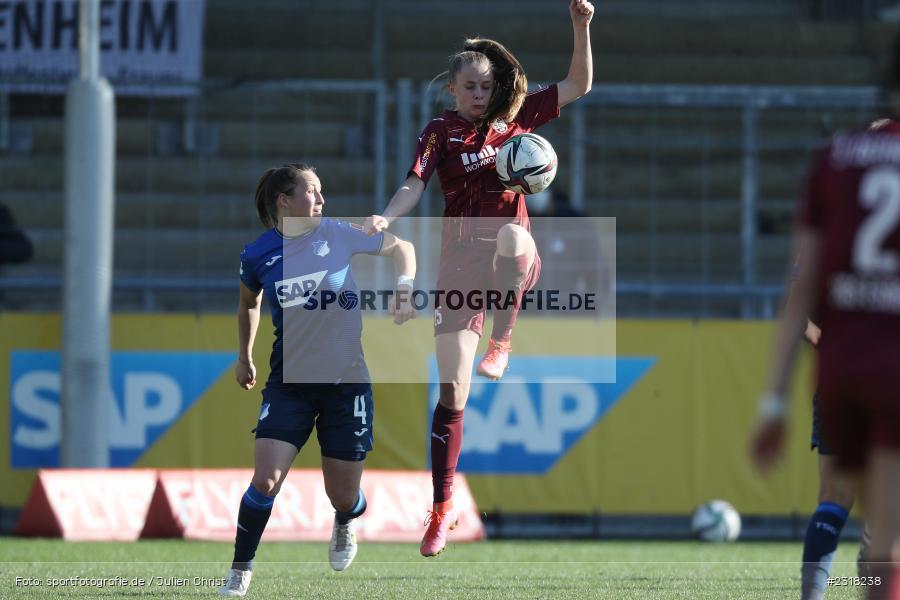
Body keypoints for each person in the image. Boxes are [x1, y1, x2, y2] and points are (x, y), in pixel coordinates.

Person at [364, 0, 595, 557]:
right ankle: (441, 511)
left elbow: (579, 85)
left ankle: (503, 338)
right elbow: (415, 183)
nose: (478, 95)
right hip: (459, 264)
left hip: (512, 254)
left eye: (485, 87)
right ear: (452, 88)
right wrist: (386, 217)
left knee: (515, 239)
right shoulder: (439, 132)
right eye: (469, 86)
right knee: (452, 389)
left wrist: (581, 27)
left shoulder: (514, 120)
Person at [219, 163, 416, 597]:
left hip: (346, 385)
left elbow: (402, 247)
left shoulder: (338, 233)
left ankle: (346, 520)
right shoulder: (257, 255)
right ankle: (239, 571)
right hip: (289, 383)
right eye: (313, 191)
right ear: (284, 201)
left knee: (343, 496)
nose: (322, 200)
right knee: (266, 479)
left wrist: (405, 285)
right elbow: (248, 304)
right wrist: (243, 355)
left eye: (322, 191)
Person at [750, 93, 900, 600]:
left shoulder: (836, 174)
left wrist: (775, 399)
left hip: (840, 370)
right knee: (886, 512)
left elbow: (799, 304)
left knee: (834, 498)